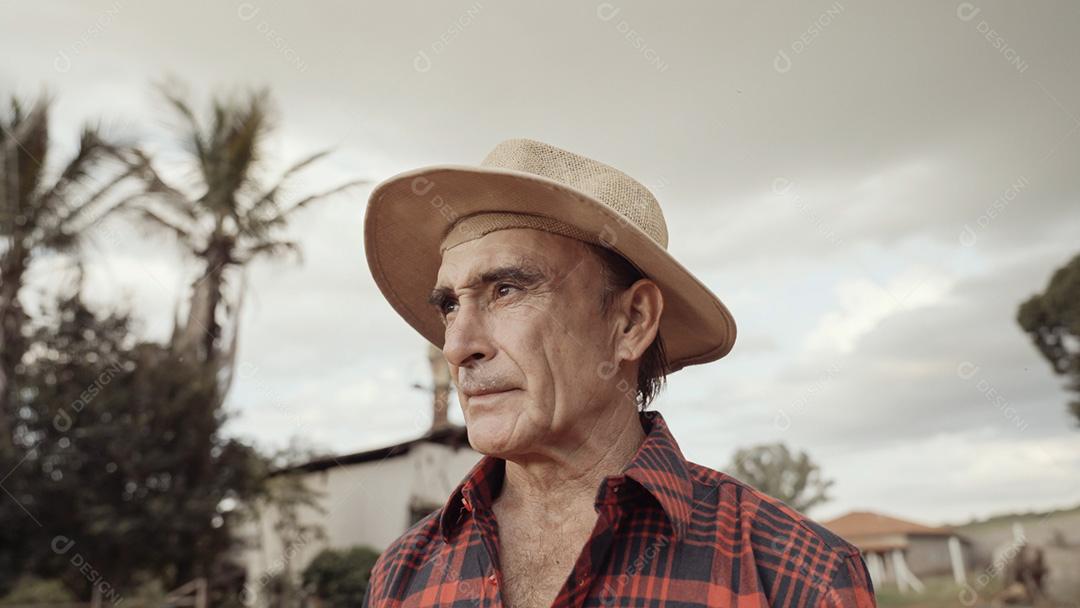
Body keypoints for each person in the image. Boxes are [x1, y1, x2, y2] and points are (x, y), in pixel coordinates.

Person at [361, 138, 876, 607]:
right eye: (450, 305)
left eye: (506, 290)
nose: (457, 347)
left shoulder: (796, 575)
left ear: (631, 321)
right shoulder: (402, 574)